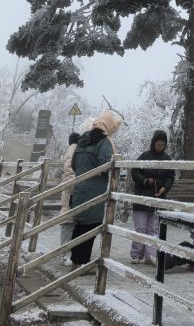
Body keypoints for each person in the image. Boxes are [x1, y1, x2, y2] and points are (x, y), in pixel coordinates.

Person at [70, 110, 122, 270]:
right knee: (91, 227)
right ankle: (82, 264)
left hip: (79, 190)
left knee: (80, 226)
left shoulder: (83, 140)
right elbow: (106, 166)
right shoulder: (104, 142)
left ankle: (76, 261)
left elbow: (73, 164)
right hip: (95, 192)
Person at [130, 129, 175, 265]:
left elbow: (170, 177)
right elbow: (135, 172)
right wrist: (145, 180)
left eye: (162, 145)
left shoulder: (167, 159)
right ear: (153, 143)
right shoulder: (144, 156)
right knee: (140, 228)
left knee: (153, 228)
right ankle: (136, 254)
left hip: (158, 198)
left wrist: (164, 188)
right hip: (141, 198)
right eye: (158, 144)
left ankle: (151, 255)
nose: (160, 147)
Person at [59, 131, 81, 264]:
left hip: (70, 190)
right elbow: (70, 171)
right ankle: (65, 254)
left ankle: (66, 253)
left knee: (69, 222)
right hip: (72, 191)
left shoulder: (71, 149)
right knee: (68, 222)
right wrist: (78, 184)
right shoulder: (74, 150)